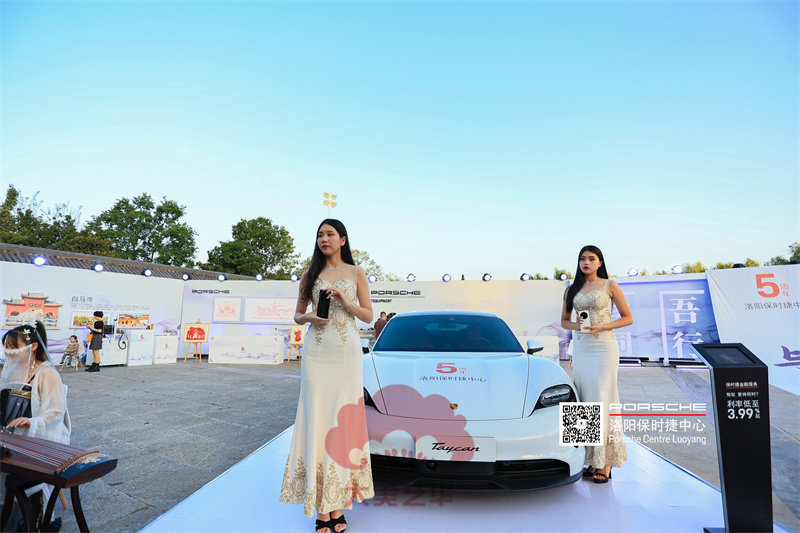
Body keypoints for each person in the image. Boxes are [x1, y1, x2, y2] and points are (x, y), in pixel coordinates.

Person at [280, 219, 374, 533]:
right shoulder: (310, 274)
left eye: (330, 234)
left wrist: (346, 301)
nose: (324, 238)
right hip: (317, 352)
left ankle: (338, 501)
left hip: (346, 354)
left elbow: (368, 315)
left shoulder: (357, 272)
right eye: (320, 234)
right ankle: (321, 506)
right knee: (317, 418)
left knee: (342, 421)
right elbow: (297, 315)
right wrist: (311, 316)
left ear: (343, 239)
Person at [560, 245, 632, 484]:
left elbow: (628, 318)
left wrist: (602, 326)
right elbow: (564, 322)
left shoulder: (610, 285)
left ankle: (605, 462)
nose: (586, 262)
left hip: (604, 347)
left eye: (592, 258)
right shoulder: (571, 289)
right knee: (583, 396)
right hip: (582, 347)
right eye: (582, 258)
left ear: (600, 262)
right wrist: (578, 326)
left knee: (604, 396)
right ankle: (589, 458)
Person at [1, 321, 71, 530]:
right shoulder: (8, 369)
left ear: (33, 346)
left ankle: (26, 522)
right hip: (7, 433)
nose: (9, 351)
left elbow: (56, 411)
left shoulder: (46, 372)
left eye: (14, 346)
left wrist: (32, 422)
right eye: (7, 346)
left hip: (33, 436)